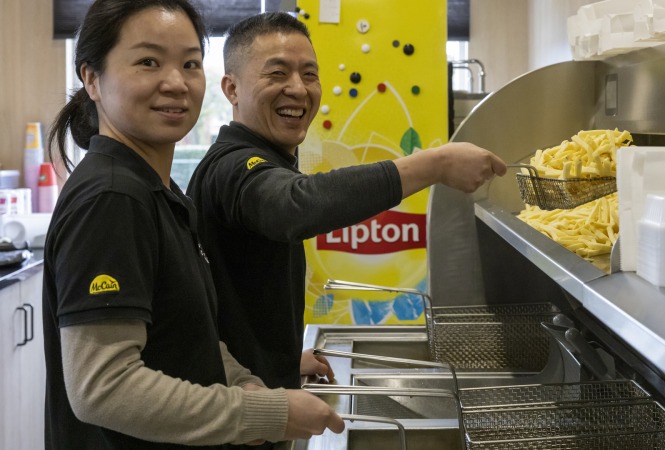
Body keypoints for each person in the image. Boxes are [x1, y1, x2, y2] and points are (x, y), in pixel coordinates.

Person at [186, 12, 506, 443]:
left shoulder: (265, 159)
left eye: (309, 74)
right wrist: (436, 163)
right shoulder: (234, 167)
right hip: (242, 417)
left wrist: (282, 361)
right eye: (277, 73)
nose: (298, 89)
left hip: (264, 385)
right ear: (231, 89)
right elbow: (295, 205)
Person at [42, 1, 344, 448]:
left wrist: (245, 384)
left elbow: (189, 337)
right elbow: (103, 388)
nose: (176, 82)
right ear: (92, 78)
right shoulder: (111, 198)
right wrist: (263, 414)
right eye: (149, 62)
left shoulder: (160, 194)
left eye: (190, 64)